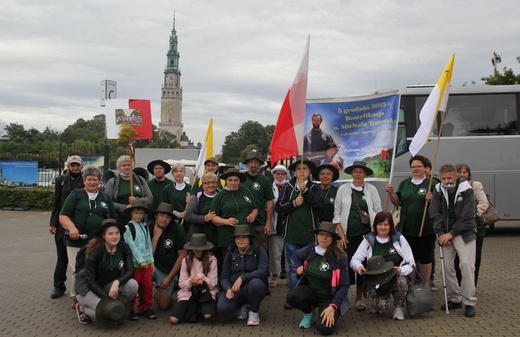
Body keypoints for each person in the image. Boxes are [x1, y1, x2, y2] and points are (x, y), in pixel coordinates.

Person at [59, 166, 116, 308]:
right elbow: (63, 215)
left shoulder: (105, 197)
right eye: (89, 179)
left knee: (96, 268)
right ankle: (77, 296)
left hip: (97, 241)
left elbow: (112, 219)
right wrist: (72, 227)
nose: (92, 182)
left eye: (95, 180)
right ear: (84, 181)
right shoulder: (75, 195)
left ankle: (94, 293)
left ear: (99, 181)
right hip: (77, 240)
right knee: (79, 270)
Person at [430, 164, 477, 318]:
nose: (446, 181)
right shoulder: (437, 190)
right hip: (445, 235)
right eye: (443, 178)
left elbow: (468, 217)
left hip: (464, 234)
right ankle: (454, 298)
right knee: (446, 267)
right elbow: (434, 213)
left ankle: (469, 302)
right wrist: (441, 233)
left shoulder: (467, 190)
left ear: (455, 177)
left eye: (449, 178)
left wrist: (452, 233)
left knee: (466, 265)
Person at [333, 161, 381, 311]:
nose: (358, 174)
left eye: (361, 172)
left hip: (366, 237)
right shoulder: (343, 189)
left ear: (365, 174)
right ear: (351, 173)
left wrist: (370, 217)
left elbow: (378, 212)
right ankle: (342, 298)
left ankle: (360, 298)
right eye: (356, 172)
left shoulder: (372, 189)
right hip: (347, 236)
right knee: (345, 267)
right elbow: (337, 214)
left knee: (363, 267)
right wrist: (340, 235)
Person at [286, 222, 350, 335]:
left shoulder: (340, 257)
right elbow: (296, 255)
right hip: (312, 294)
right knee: (292, 295)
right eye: (321, 234)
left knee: (324, 329)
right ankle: (309, 313)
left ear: (333, 239)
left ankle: (330, 312)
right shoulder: (311, 249)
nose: (324, 237)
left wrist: (333, 307)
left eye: (328, 235)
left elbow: (344, 286)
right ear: (317, 236)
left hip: (329, 299)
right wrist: (299, 267)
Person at [350, 211, 415, 320]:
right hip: (376, 279)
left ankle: (399, 307)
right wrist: (359, 267)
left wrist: (400, 270)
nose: (383, 227)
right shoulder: (369, 239)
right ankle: (379, 301)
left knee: (402, 282)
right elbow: (354, 259)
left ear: (391, 226)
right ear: (375, 225)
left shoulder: (399, 238)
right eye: (380, 224)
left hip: (395, 276)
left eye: (386, 224)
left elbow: (411, 262)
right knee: (379, 306)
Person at [74, 219, 138, 325]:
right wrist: (107, 300)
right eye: (110, 233)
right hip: (86, 289)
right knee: (104, 311)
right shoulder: (95, 252)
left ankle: (116, 308)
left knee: (133, 285)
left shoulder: (123, 247)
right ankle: (81, 308)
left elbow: (130, 270)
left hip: (106, 284)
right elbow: (90, 281)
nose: (115, 236)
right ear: (103, 235)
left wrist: (117, 282)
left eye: (117, 233)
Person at [276, 156, 324, 296]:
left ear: (309, 171)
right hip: (291, 235)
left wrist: (307, 191)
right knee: (293, 267)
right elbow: (279, 207)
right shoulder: (288, 187)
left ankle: (307, 295)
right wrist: (294, 203)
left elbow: (319, 204)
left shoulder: (315, 187)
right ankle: (293, 296)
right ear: (295, 171)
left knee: (309, 267)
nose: (302, 171)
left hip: (310, 236)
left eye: (305, 169)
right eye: (299, 169)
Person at [385, 154, 435, 289]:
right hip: (408, 227)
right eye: (413, 167)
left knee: (425, 257)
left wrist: (432, 200)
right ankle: (411, 284)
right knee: (410, 257)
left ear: (425, 168)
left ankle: (425, 284)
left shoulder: (432, 184)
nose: (416, 169)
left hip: (426, 228)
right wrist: (391, 193)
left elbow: (439, 206)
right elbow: (397, 202)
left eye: (419, 166)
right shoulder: (405, 183)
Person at [217, 225, 268, 326]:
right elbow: (224, 277)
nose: (241, 240)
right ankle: (241, 305)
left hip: (253, 285)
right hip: (235, 288)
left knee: (256, 284)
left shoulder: (259, 251)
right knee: (222, 308)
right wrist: (228, 289)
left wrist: (242, 278)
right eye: (238, 238)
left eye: (244, 237)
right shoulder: (230, 254)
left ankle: (254, 311)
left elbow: (263, 271)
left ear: (249, 239)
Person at [49, 155, 84, 299]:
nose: (75, 168)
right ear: (68, 166)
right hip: (63, 223)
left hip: (80, 223)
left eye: (77, 165)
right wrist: (53, 222)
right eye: (72, 165)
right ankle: (58, 285)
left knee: (82, 257)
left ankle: (82, 285)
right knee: (62, 256)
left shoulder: (86, 180)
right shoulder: (61, 181)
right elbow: (57, 202)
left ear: (81, 166)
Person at [168, 233, 218, 324]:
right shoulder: (186, 260)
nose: (197, 251)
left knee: (208, 316)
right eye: (195, 248)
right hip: (188, 293)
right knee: (173, 320)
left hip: (206, 292)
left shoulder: (212, 259)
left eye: (200, 248)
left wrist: (201, 278)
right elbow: (181, 283)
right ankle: (193, 309)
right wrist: (191, 281)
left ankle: (200, 309)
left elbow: (213, 282)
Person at [150, 202, 188, 310]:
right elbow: (148, 255)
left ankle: (170, 286)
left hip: (169, 271)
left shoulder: (177, 229)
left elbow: (182, 255)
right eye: (162, 215)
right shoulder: (149, 226)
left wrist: (169, 278)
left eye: (168, 216)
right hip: (153, 267)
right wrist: (156, 237)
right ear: (156, 215)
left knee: (163, 305)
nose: (164, 219)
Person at [455, 163, 489, 287]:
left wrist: (470, 215)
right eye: (459, 172)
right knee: (457, 260)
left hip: (475, 229)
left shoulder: (475, 185)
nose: (462, 174)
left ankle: (471, 286)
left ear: (469, 173)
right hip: (457, 229)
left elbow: (484, 203)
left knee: (474, 260)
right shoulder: (453, 186)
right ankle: (458, 285)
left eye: (465, 172)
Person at [123, 200, 156, 320]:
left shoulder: (145, 226)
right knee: (134, 287)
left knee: (147, 286)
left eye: (141, 213)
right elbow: (131, 246)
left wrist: (151, 260)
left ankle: (145, 307)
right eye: (136, 213)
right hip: (135, 263)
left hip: (146, 262)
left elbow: (148, 244)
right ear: (131, 213)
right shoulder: (128, 228)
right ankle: (130, 309)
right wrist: (140, 260)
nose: (138, 216)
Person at [210, 168, 258, 251]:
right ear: (226, 180)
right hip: (228, 237)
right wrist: (226, 221)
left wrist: (253, 215)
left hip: (247, 235)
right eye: (230, 180)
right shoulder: (219, 196)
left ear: (240, 181)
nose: (233, 183)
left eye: (236, 180)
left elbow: (255, 208)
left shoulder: (246, 191)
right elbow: (213, 218)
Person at [105, 155, 153, 225]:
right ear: (118, 168)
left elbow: (150, 198)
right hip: (120, 221)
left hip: (139, 221)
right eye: (123, 165)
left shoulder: (140, 180)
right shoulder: (112, 182)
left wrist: (137, 201)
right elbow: (107, 201)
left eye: (129, 165)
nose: (127, 167)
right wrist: (124, 207)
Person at [242, 151, 275, 251]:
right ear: (247, 163)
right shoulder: (240, 179)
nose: (253, 165)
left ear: (260, 164)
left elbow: (269, 201)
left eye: (256, 162)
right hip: (243, 222)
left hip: (260, 223)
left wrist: (268, 222)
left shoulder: (265, 180)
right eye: (251, 162)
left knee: (261, 252)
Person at [185, 172, 219, 261]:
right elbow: (188, 216)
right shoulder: (196, 198)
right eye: (207, 183)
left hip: (218, 239)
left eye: (214, 182)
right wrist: (204, 218)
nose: (211, 185)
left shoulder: (221, 196)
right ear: (203, 185)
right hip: (199, 239)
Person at [268, 164, 290, 287]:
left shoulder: (290, 187)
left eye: (282, 174)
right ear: (274, 175)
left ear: (285, 175)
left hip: (289, 223)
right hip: (275, 223)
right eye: (277, 174)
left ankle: (289, 274)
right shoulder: (270, 188)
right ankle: (275, 275)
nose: (280, 176)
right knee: (275, 252)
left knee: (288, 252)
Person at [161, 162, 192, 231]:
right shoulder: (167, 189)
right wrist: (178, 214)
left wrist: (190, 203)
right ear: (172, 174)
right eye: (176, 171)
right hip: (171, 222)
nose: (179, 173)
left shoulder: (190, 189)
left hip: (187, 223)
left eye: (181, 171)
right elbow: (164, 207)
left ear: (184, 173)